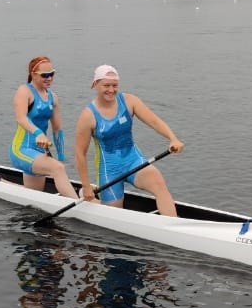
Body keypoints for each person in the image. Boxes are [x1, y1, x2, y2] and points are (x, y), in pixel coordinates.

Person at [74, 64, 183, 216]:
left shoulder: (129, 101)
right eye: (106, 85)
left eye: (114, 85)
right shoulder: (88, 116)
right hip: (109, 170)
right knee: (113, 215)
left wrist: (173, 138)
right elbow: (80, 153)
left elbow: (154, 121)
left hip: (133, 161)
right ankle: (87, 197)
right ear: (95, 84)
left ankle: (173, 225)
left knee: (158, 182)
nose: (111, 90)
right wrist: (85, 186)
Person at [10, 56, 78, 198]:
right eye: (45, 75)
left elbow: (57, 129)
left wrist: (61, 155)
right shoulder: (24, 91)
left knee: (33, 195)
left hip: (40, 151)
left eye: (52, 74)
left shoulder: (53, 97)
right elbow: (21, 118)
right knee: (57, 169)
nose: (49, 78)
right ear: (33, 75)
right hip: (21, 149)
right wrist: (38, 133)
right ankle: (78, 204)